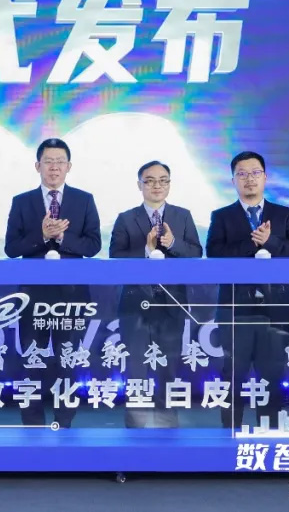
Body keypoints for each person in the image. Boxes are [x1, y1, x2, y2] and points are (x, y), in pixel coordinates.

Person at [206, 151, 289, 431]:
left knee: (272, 375)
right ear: (233, 180)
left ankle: (269, 436)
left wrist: (270, 242)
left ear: (265, 177)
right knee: (233, 375)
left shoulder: (284, 214)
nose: (249, 179)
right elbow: (214, 253)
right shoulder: (222, 216)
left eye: (255, 173)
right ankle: (230, 435)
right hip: (235, 308)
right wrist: (254, 243)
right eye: (242, 174)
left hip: (276, 309)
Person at [5, 138, 101, 427]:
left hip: (71, 297)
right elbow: (11, 248)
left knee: (67, 362)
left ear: (69, 166)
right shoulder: (21, 201)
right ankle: (32, 424)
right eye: (48, 161)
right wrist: (42, 236)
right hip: (31, 297)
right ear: (38, 166)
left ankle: (64, 423)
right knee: (31, 362)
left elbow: (94, 245)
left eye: (60, 161)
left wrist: (62, 237)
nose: (54, 167)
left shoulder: (84, 200)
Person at [109, 160, 201, 427]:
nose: (156, 185)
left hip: (172, 305)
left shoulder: (183, 216)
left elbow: (196, 253)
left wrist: (173, 243)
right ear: (139, 185)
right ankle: (135, 431)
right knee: (135, 371)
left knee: (168, 371)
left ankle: (168, 430)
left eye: (163, 180)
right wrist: (146, 252)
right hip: (134, 306)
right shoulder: (126, 218)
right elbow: (116, 257)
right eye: (149, 180)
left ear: (169, 184)